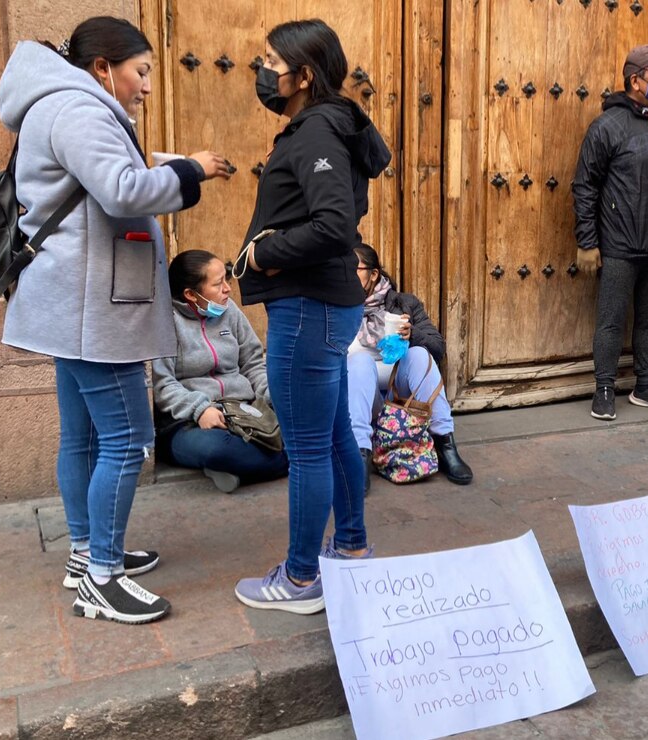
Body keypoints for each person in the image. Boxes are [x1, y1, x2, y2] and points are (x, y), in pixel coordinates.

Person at [0, 17, 230, 624]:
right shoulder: (80, 109)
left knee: (84, 437)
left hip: (75, 306)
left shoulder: (53, 105)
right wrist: (192, 170)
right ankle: (102, 576)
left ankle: (84, 552)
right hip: (94, 312)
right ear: (104, 67)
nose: (146, 86)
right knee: (127, 442)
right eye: (141, 71)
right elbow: (122, 191)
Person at [233, 19, 391, 614]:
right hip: (325, 306)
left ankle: (300, 580)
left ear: (304, 74)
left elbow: (334, 225)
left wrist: (264, 254)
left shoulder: (317, 132)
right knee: (328, 437)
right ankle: (350, 548)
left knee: (305, 451)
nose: (261, 70)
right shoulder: (329, 126)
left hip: (306, 309)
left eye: (270, 60)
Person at [572, 44, 648, 422]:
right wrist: (587, 241)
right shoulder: (607, 126)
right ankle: (605, 388)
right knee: (611, 320)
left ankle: (647, 386)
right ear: (636, 81)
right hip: (620, 244)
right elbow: (585, 186)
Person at [152, 250, 288, 493]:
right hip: (188, 423)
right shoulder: (165, 322)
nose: (228, 289)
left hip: (245, 412)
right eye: (218, 284)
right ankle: (289, 463)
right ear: (190, 294)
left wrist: (274, 396)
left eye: (227, 280)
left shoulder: (229, 310)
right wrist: (200, 409)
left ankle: (243, 468)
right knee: (217, 449)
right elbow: (163, 384)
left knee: (297, 426)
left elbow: (253, 363)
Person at [347, 244, 472, 493]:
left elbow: (438, 347)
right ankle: (359, 455)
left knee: (419, 355)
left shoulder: (404, 303)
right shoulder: (335, 306)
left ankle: (445, 442)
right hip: (360, 399)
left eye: (354, 269)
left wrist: (411, 334)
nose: (346, 275)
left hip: (400, 399)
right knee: (360, 362)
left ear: (373, 274)